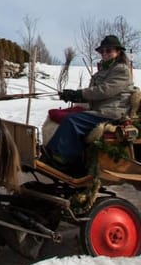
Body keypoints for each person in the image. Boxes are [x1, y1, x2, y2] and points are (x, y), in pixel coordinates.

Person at [44, 35, 134, 170]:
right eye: (102, 51)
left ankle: (65, 160)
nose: (104, 54)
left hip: (112, 113)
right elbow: (93, 93)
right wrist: (73, 96)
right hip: (100, 111)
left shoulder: (121, 69)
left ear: (118, 52)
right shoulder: (102, 71)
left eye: (108, 50)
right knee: (65, 118)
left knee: (72, 121)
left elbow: (104, 91)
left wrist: (79, 94)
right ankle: (52, 152)